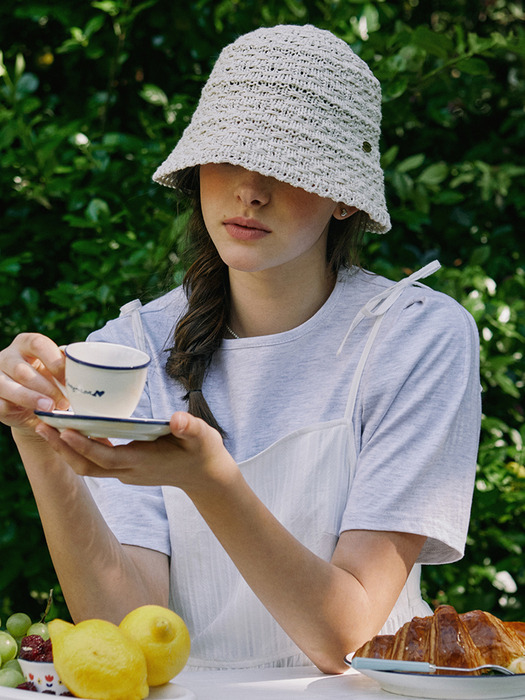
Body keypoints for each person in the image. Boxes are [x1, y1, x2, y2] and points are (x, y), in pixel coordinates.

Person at [0, 24, 481, 674]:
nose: (250, 188)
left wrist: (210, 480)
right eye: (228, 155)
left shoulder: (416, 337)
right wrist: (35, 429)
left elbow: (343, 638)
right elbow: (123, 629)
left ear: (345, 197)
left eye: (289, 165)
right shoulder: (131, 348)